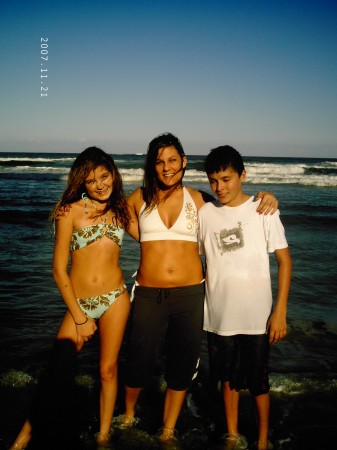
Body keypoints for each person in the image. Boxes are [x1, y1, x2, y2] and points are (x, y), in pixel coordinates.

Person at [120, 133, 279, 444]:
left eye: (172, 160)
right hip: (149, 293)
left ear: (184, 162)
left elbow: (233, 205)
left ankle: (167, 428)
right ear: (152, 165)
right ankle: (127, 414)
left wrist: (267, 196)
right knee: (139, 359)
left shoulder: (199, 199)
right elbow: (114, 214)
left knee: (182, 363)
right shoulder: (138, 198)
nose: (166, 167)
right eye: (159, 161)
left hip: (191, 294)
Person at [10, 147, 131, 449]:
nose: (100, 184)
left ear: (113, 175)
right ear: (83, 184)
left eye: (104, 176)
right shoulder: (70, 211)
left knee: (108, 369)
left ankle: (103, 435)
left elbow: (158, 230)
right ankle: (23, 439)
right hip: (81, 304)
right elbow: (57, 270)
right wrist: (80, 317)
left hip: (116, 297)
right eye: (91, 181)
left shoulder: (123, 210)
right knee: (56, 374)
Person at [198, 145, 292, 450]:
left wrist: (279, 312)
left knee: (259, 380)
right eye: (213, 181)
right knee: (227, 379)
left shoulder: (263, 209)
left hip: (257, 316)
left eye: (226, 179)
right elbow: (199, 260)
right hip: (219, 316)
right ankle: (232, 434)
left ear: (243, 176)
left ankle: (263, 439)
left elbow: (285, 261)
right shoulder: (205, 214)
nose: (219, 187)